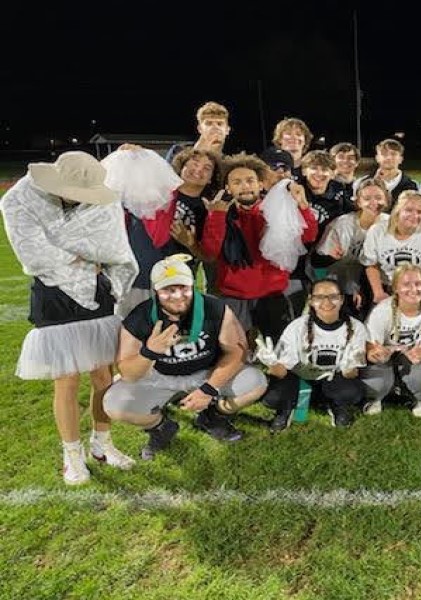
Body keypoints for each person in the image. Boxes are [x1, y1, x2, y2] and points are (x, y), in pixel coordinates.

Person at [1, 151, 139, 484]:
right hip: (53, 295)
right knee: (67, 380)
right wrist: (81, 258)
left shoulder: (103, 200)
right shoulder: (22, 197)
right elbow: (33, 253)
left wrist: (87, 258)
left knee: (103, 376)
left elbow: (112, 247)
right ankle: (71, 455)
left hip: (97, 290)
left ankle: (102, 444)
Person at [104, 254, 267, 451]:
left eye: (184, 288)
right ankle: (161, 427)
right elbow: (129, 372)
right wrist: (149, 352)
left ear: (192, 286)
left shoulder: (215, 308)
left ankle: (212, 417)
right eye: (168, 290)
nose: (178, 296)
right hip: (160, 376)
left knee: (256, 383)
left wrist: (209, 389)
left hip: (205, 373)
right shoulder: (140, 317)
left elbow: (237, 351)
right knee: (114, 404)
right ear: (155, 290)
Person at [200, 152, 318, 339]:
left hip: (271, 297)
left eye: (249, 180)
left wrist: (303, 205)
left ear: (260, 184)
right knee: (234, 352)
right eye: (237, 182)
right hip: (233, 297)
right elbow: (210, 252)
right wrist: (216, 217)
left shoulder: (275, 211)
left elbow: (308, 237)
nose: (245, 186)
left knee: (276, 355)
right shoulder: (219, 213)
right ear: (228, 188)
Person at [116, 147, 223, 316]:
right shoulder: (153, 193)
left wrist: (190, 243)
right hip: (137, 281)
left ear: (211, 179)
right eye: (193, 164)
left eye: (207, 168)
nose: (198, 170)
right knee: (130, 334)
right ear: (181, 168)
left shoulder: (209, 208)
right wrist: (136, 154)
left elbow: (208, 256)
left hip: (175, 284)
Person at [254, 277, 368, 429]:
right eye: (319, 297)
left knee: (353, 393)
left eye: (333, 297)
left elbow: (351, 374)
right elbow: (281, 371)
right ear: (311, 301)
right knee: (272, 398)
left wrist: (349, 368)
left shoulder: (357, 328)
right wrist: (272, 364)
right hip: (298, 376)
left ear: (341, 300)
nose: (326, 302)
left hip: (332, 378)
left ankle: (334, 405)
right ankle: (287, 409)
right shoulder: (297, 327)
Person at [361, 264, 421, 418]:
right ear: (395, 289)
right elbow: (371, 349)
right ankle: (376, 397)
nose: (413, 289)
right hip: (386, 354)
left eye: (419, 284)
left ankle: (420, 397)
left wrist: (420, 354)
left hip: (412, 354)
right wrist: (377, 354)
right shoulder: (381, 310)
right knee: (376, 382)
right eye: (406, 284)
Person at [312, 178, 390, 318]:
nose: (373, 203)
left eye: (378, 197)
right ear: (358, 201)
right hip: (336, 278)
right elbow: (317, 264)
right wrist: (322, 288)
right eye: (367, 198)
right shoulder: (343, 225)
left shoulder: (389, 223)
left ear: (386, 199)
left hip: (369, 280)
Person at [360, 190, 421, 305]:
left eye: (420, 212)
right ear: (398, 211)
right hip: (386, 286)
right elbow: (371, 264)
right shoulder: (377, 231)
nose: (414, 216)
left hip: (416, 290)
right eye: (409, 210)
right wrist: (378, 293)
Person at [165, 101, 232, 162]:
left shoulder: (228, 163)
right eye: (209, 123)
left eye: (220, 124)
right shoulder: (178, 151)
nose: (215, 127)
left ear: (227, 130)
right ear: (200, 129)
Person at [368, 138, 419, 206]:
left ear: (400, 159)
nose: (389, 157)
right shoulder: (363, 183)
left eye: (393, 154)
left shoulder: (411, 185)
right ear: (377, 158)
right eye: (384, 154)